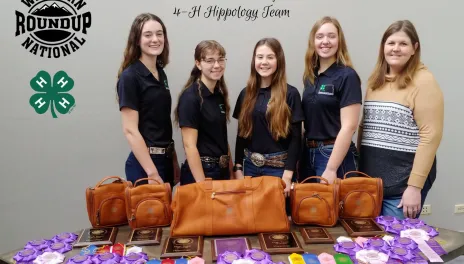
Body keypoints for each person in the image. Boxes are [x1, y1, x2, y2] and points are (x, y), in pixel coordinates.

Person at [358, 20, 444, 219]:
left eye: (403, 44)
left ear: (414, 48)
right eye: (391, 43)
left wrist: (414, 187)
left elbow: (430, 137)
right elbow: (365, 128)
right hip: (372, 184)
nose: (396, 49)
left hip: (402, 186)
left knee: (394, 245)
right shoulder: (375, 81)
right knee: (368, 245)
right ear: (383, 47)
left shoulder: (424, 82)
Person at [233, 37, 304, 198]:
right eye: (260, 57)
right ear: (254, 61)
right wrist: (238, 167)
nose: (264, 62)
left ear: (278, 60)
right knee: (250, 218)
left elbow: (296, 138)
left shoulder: (290, 94)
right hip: (249, 167)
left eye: (270, 57)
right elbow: (241, 135)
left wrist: (288, 174)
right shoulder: (245, 94)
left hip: (278, 169)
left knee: (275, 219)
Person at [116, 13, 180, 186]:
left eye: (159, 34)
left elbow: (160, 121)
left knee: (167, 214)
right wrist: (151, 172)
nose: (155, 39)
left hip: (164, 160)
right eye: (148, 34)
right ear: (137, 40)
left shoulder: (160, 73)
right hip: (145, 166)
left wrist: (172, 158)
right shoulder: (130, 77)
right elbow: (130, 130)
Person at [301, 16, 362, 183]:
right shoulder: (310, 77)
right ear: (313, 41)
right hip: (308, 154)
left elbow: (349, 126)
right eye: (320, 37)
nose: (325, 41)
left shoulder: (347, 76)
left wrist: (331, 168)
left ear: (339, 41)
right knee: (310, 208)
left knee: (335, 208)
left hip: (332, 155)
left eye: (331, 36)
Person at [174, 40, 232, 185]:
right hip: (202, 173)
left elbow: (222, 138)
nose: (217, 65)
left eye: (220, 60)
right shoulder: (190, 97)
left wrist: (230, 172)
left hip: (222, 171)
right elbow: (189, 146)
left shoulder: (218, 95)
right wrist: (202, 184)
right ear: (198, 64)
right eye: (210, 61)